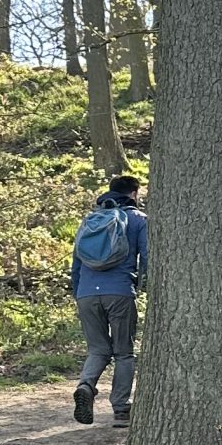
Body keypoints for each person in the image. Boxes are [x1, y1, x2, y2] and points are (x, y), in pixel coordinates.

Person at [70, 172, 148, 429]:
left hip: (86, 293)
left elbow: (76, 263)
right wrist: (144, 286)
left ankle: (86, 385)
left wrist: (79, 292)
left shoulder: (91, 221)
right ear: (134, 193)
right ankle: (121, 410)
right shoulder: (138, 220)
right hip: (119, 291)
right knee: (124, 352)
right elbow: (147, 258)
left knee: (98, 349)